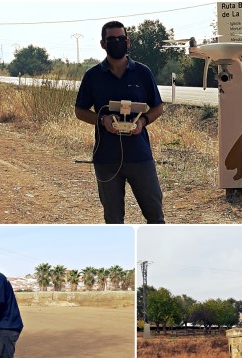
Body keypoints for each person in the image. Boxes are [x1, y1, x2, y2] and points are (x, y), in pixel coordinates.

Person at [75, 21, 165, 224]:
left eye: (121, 38)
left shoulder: (142, 73)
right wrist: (102, 120)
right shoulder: (93, 76)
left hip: (140, 156)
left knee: (155, 216)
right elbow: (79, 111)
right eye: (112, 39)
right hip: (106, 158)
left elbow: (158, 107)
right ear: (103, 44)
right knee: (113, 220)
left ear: (128, 42)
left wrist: (143, 121)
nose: (117, 42)